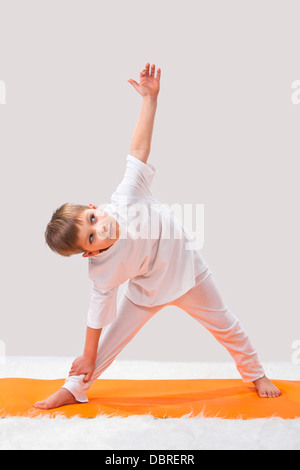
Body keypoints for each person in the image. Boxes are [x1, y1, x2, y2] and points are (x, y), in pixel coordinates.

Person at [34, 63, 280, 410]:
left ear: (95, 206)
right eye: (91, 237)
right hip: (146, 292)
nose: (99, 228)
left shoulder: (127, 195)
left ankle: (255, 374)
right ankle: (74, 387)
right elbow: (96, 318)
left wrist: (150, 100)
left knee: (226, 325)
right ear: (89, 253)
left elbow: (137, 149)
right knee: (107, 346)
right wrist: (88, 357)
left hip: (189, 275)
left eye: (92, 218)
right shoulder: (101, 271)